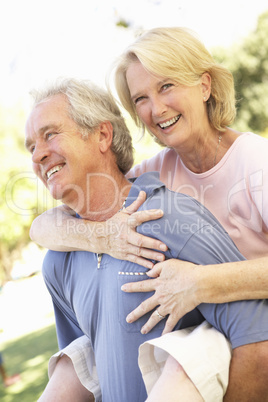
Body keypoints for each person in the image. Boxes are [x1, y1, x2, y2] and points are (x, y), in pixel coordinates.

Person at [27, 77, 268, 402]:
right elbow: (84, 372)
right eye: (31, 147)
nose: (38, 155)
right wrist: (101, 235)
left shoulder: (168, 218)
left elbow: (257, 344)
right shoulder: (57, 262)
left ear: (102, 135)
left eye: (50, 135)